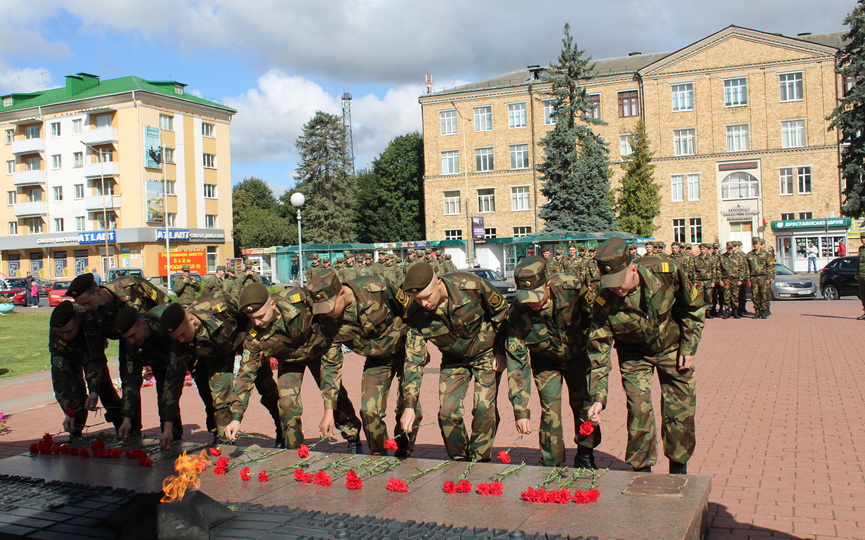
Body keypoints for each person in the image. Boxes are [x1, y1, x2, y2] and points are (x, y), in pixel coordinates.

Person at [586, 238, 704, 474]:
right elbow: (599, 353)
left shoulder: (666, 271)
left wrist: (689, 348)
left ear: (633, 269)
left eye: (620, 281)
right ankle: (641, 470)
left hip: (672, 348)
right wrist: (598, 398)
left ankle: (679, 468)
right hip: (634, 355)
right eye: (610, 284)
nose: (616, 288)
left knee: (679, 408)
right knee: (638, 409)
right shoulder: (604, 302)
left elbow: (692, 307)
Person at [224, 283, 363, 451]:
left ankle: (352, 436)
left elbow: (327, 314)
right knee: (288, 406)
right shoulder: (253, 336)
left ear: (273, 305)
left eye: (260, 316)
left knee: (335, 395)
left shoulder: (300, 300)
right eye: (252, 318)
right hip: (289, 360)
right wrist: (236, 417)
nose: (257, 322)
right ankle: (294, 449)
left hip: (317, 350)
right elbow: (246, 375)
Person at [399, 262, 508, 462]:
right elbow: (413, 359)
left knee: (484, 408)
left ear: (439, 283)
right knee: (448, 412)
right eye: (417, 299)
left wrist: (501, 352)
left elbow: (501, 314)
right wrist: (409, 406)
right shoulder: (416, 314)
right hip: (453, 359)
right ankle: (458, 459)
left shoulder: (470, 285)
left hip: (486, 353)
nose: (424, 304)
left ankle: (480, 460)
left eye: (427, 297)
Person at [311, 271, 420, 457]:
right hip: (377, 360)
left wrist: (418, 349)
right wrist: (329, 409)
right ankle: (380, 454)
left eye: (330, 306)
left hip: (404, 353)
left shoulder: (377, 286)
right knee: (369, 411)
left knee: (409, 406)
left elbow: (410, 311)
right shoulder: (326, 321)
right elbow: (330, 365)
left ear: (342, 294)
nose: (327, 313)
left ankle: (403, 451)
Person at [504, 257, 598, 467]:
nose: (532, 303)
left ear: (547, 284)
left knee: (584, 406)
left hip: (579, 357)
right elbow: (517, 364)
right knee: (550, 411)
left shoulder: (571, 287)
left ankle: (585, 453)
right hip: (545, 362)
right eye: (526, 297)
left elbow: (595, 319)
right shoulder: (517, 313)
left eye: (536, 296)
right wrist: (521, 410)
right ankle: (552, 463)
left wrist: (597, 357)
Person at [160, 293, 283, 445]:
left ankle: (282, 428)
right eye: (176, 338)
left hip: (246, 341)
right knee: (219, 400)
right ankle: (225, 443)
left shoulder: (219, 304)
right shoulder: (180, 342)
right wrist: (167, 427)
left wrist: (264, 341)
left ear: (191, 319)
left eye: (183, 334)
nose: (181, 340)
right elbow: (172, 382)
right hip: (216, 355)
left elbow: (252, 310)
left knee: (266, 387)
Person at [113, 305, 186, 449]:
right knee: (136, 393)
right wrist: (127, 417)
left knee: (166, 394)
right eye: (127, 338)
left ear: (143, 324)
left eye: (133, 335)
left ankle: (174, 437)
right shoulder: (131, 344)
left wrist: (169, 427)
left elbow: (172, 384)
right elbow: (130, 381)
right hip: (156, 358)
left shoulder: (164, 331)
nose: (131, 341)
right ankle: (133, 432)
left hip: (170, 359)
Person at [48, 301, 115, 436]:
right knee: (74, 390)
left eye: (69, 331)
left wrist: (94, 390)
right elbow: (61, 378)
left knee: (103, 387)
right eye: (62, 333)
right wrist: (69, 410)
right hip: (70, 354)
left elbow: (95, 359)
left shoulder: (89, 320)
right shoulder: (56, 333)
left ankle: (124, 426)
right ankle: (75, 431)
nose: (66, 336)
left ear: (77, 321)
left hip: (91, 348)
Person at [746, 237, 776, 319]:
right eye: (754, 243)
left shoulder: (766, 254)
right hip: (754, 278)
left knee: (764, 295)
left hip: (764, 277)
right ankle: (757, 311)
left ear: (760, 244)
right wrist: (748, 279)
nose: (755, 245)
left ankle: (763, 311)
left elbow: (771, 267)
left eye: (756, 243)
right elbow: (747, 268)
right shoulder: (749, 255)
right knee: (755, 296)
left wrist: (769, 277)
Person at [857, 234, 865, 320]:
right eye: (862, 238)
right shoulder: (861, 249)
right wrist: (857, 273)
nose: (863, 240)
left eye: (864, 238)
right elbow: (858, 263)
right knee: (862, 295)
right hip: (861, 275)